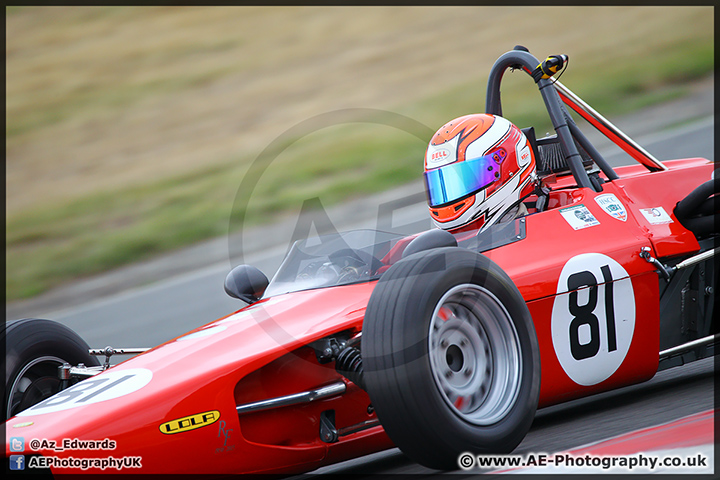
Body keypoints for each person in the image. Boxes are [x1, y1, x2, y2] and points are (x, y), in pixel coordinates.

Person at [423, 113, 538, 234]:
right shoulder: (439, 244)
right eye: (444, 186)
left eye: (467, 179)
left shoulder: (543, 235)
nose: (451, 194)